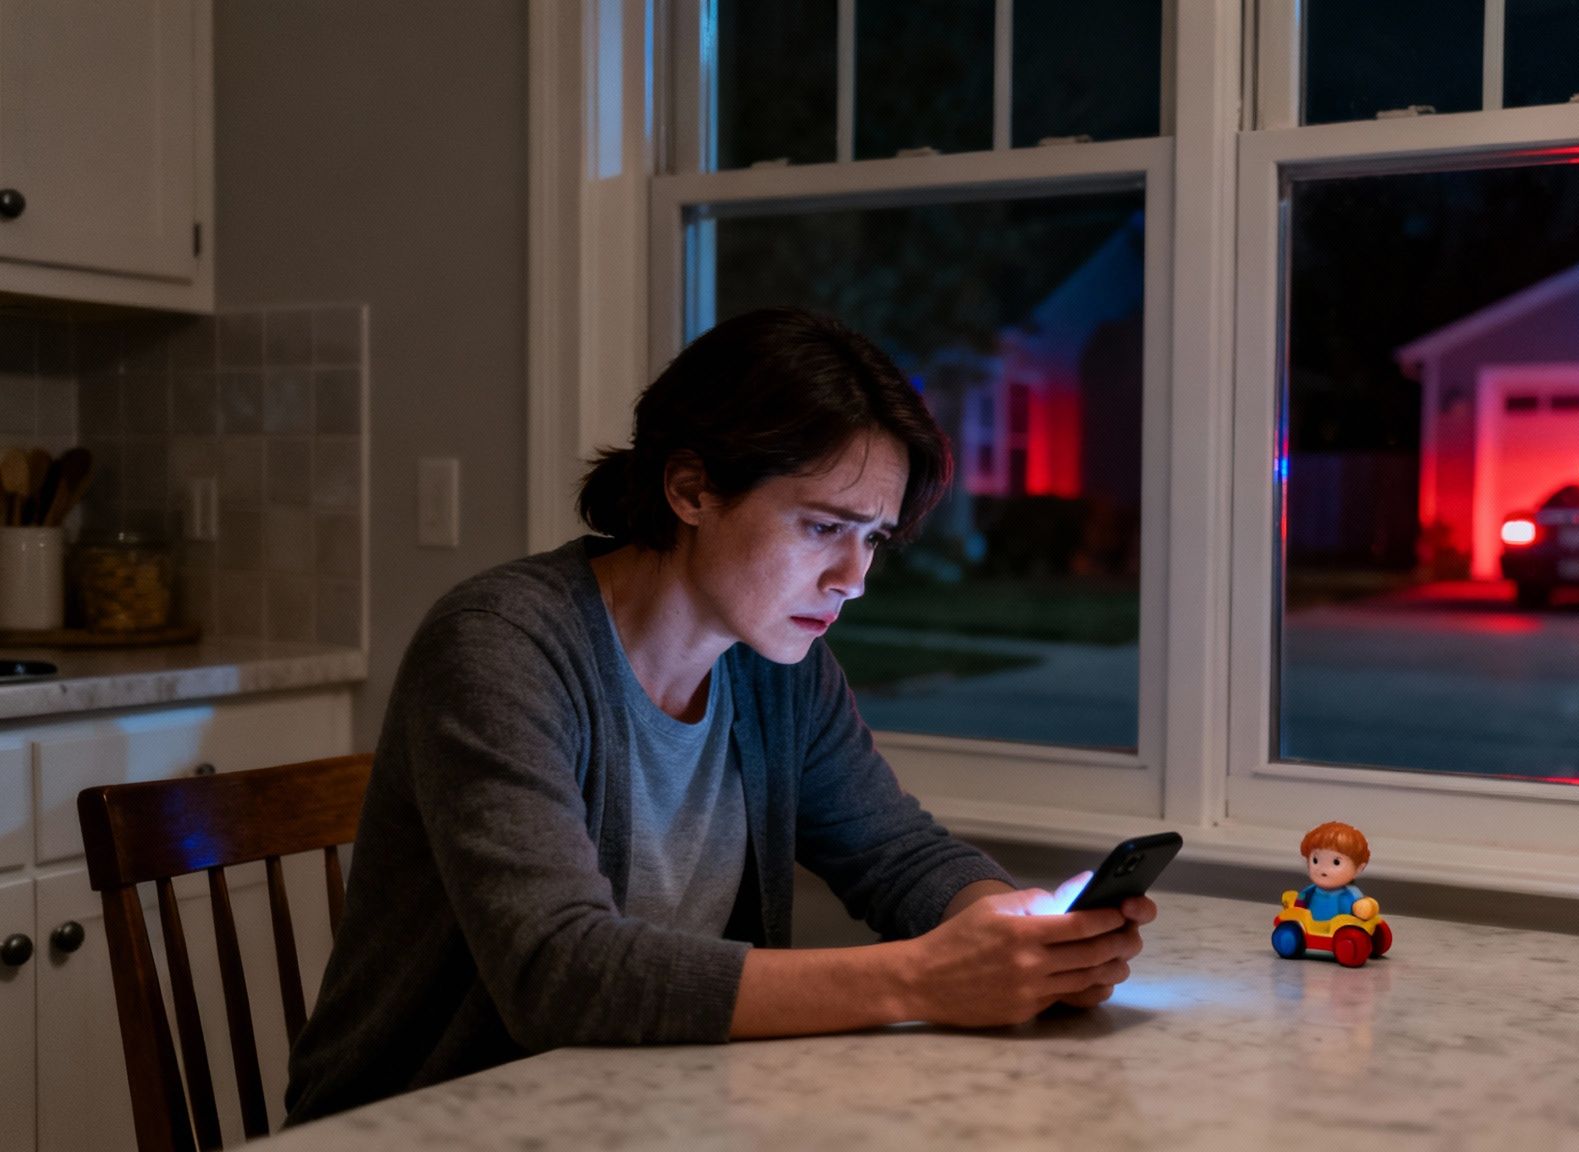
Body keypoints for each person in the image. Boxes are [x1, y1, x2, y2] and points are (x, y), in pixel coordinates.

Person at [284, 307, 1155, 1125]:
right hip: (428, 1121)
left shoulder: (779, 667)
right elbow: (556, 972)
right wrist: (923, 980)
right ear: (692, 489)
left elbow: (896, 854)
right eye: (823, 528)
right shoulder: (502, 647)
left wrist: (1017, 936)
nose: (854, 576)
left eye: (875, 539)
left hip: (646, 1112)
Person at [1294, 821, 1378, 922]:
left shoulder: (1350, 894)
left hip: (1340, 930)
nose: (1323, 868)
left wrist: (1365, 908)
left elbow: (1363, 906)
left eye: (1336, 862)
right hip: (1310, 928)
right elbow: (1300, 901)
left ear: (1358, 869)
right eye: (1315, 860)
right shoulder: (1310, 891)